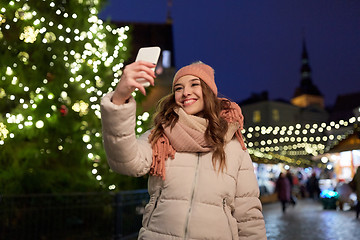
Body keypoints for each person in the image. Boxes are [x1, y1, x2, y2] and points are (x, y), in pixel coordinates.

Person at [101, 60, 267, 239]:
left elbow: (249, 217)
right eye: (178, 88)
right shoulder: (160, 136)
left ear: (209, 92)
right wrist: (119, 100)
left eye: (194, 84)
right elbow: (126, 162)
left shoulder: (233, 146)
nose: (185, 92)